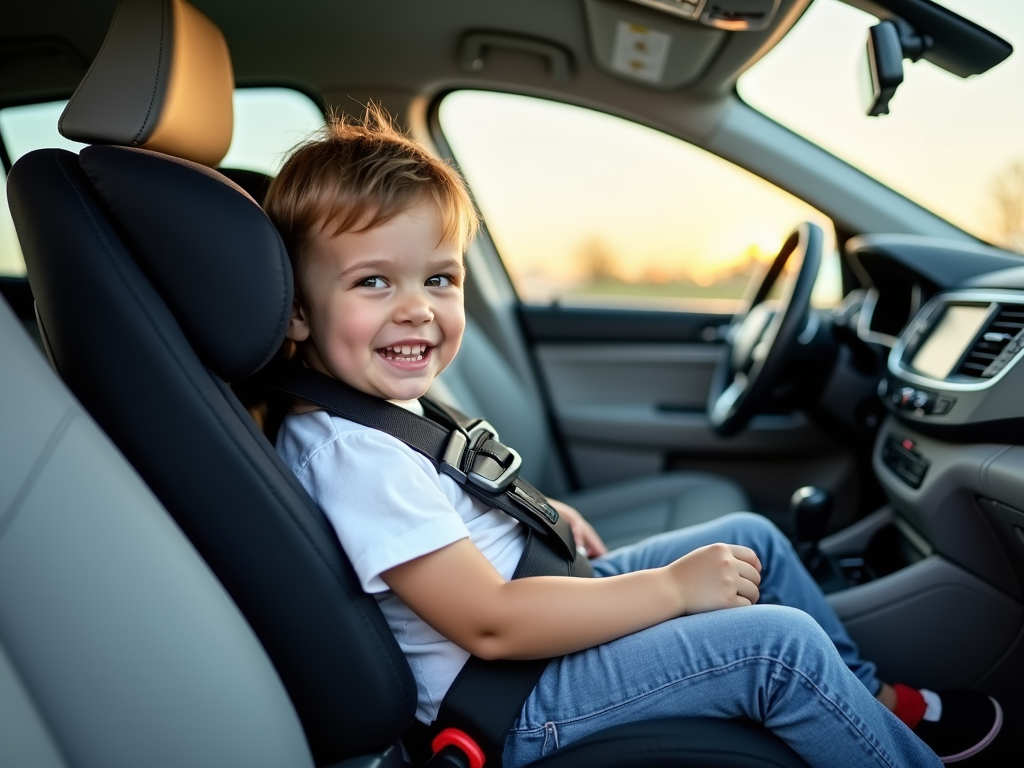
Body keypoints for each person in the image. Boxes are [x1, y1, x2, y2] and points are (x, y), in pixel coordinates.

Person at [264, 108, 1000, 767]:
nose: (417, 310)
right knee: (781, 647)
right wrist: (672, 589)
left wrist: (539, 513)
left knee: (754, 538)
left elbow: (453, 486)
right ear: (296, 313)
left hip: (533, 624)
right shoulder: (349, 453)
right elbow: (487, 625)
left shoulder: (376, 404)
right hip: (512, 700)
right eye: (373, 283)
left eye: (440, 279)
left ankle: (869, 709)